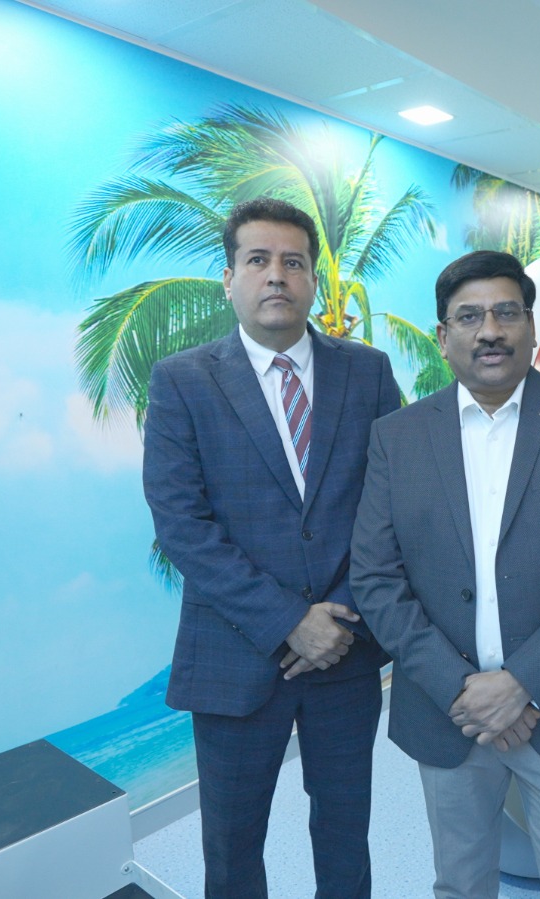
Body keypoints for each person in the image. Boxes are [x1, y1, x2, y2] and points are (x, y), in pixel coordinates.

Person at [351, 250, 540, 899]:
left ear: (531, 327)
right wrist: (464, 689)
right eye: (469, 316)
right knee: (459, 884)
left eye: (506, 312)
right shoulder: (396, 438)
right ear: (442, 336)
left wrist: (523, 685)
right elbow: (375, 578)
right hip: (448, 713)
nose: (490, 330)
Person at [142, 198, 399, 899]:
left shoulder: (368, 373)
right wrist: (290, 620)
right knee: (231, 847)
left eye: (293, 261)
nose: (276, 275)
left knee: (346, 835)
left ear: (313, 279)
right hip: (235, 654)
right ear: (230, 279)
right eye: (258, 260)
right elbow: (182, 523)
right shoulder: (182, 381)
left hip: (346, 651)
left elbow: (395, 506)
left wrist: (337, 617)